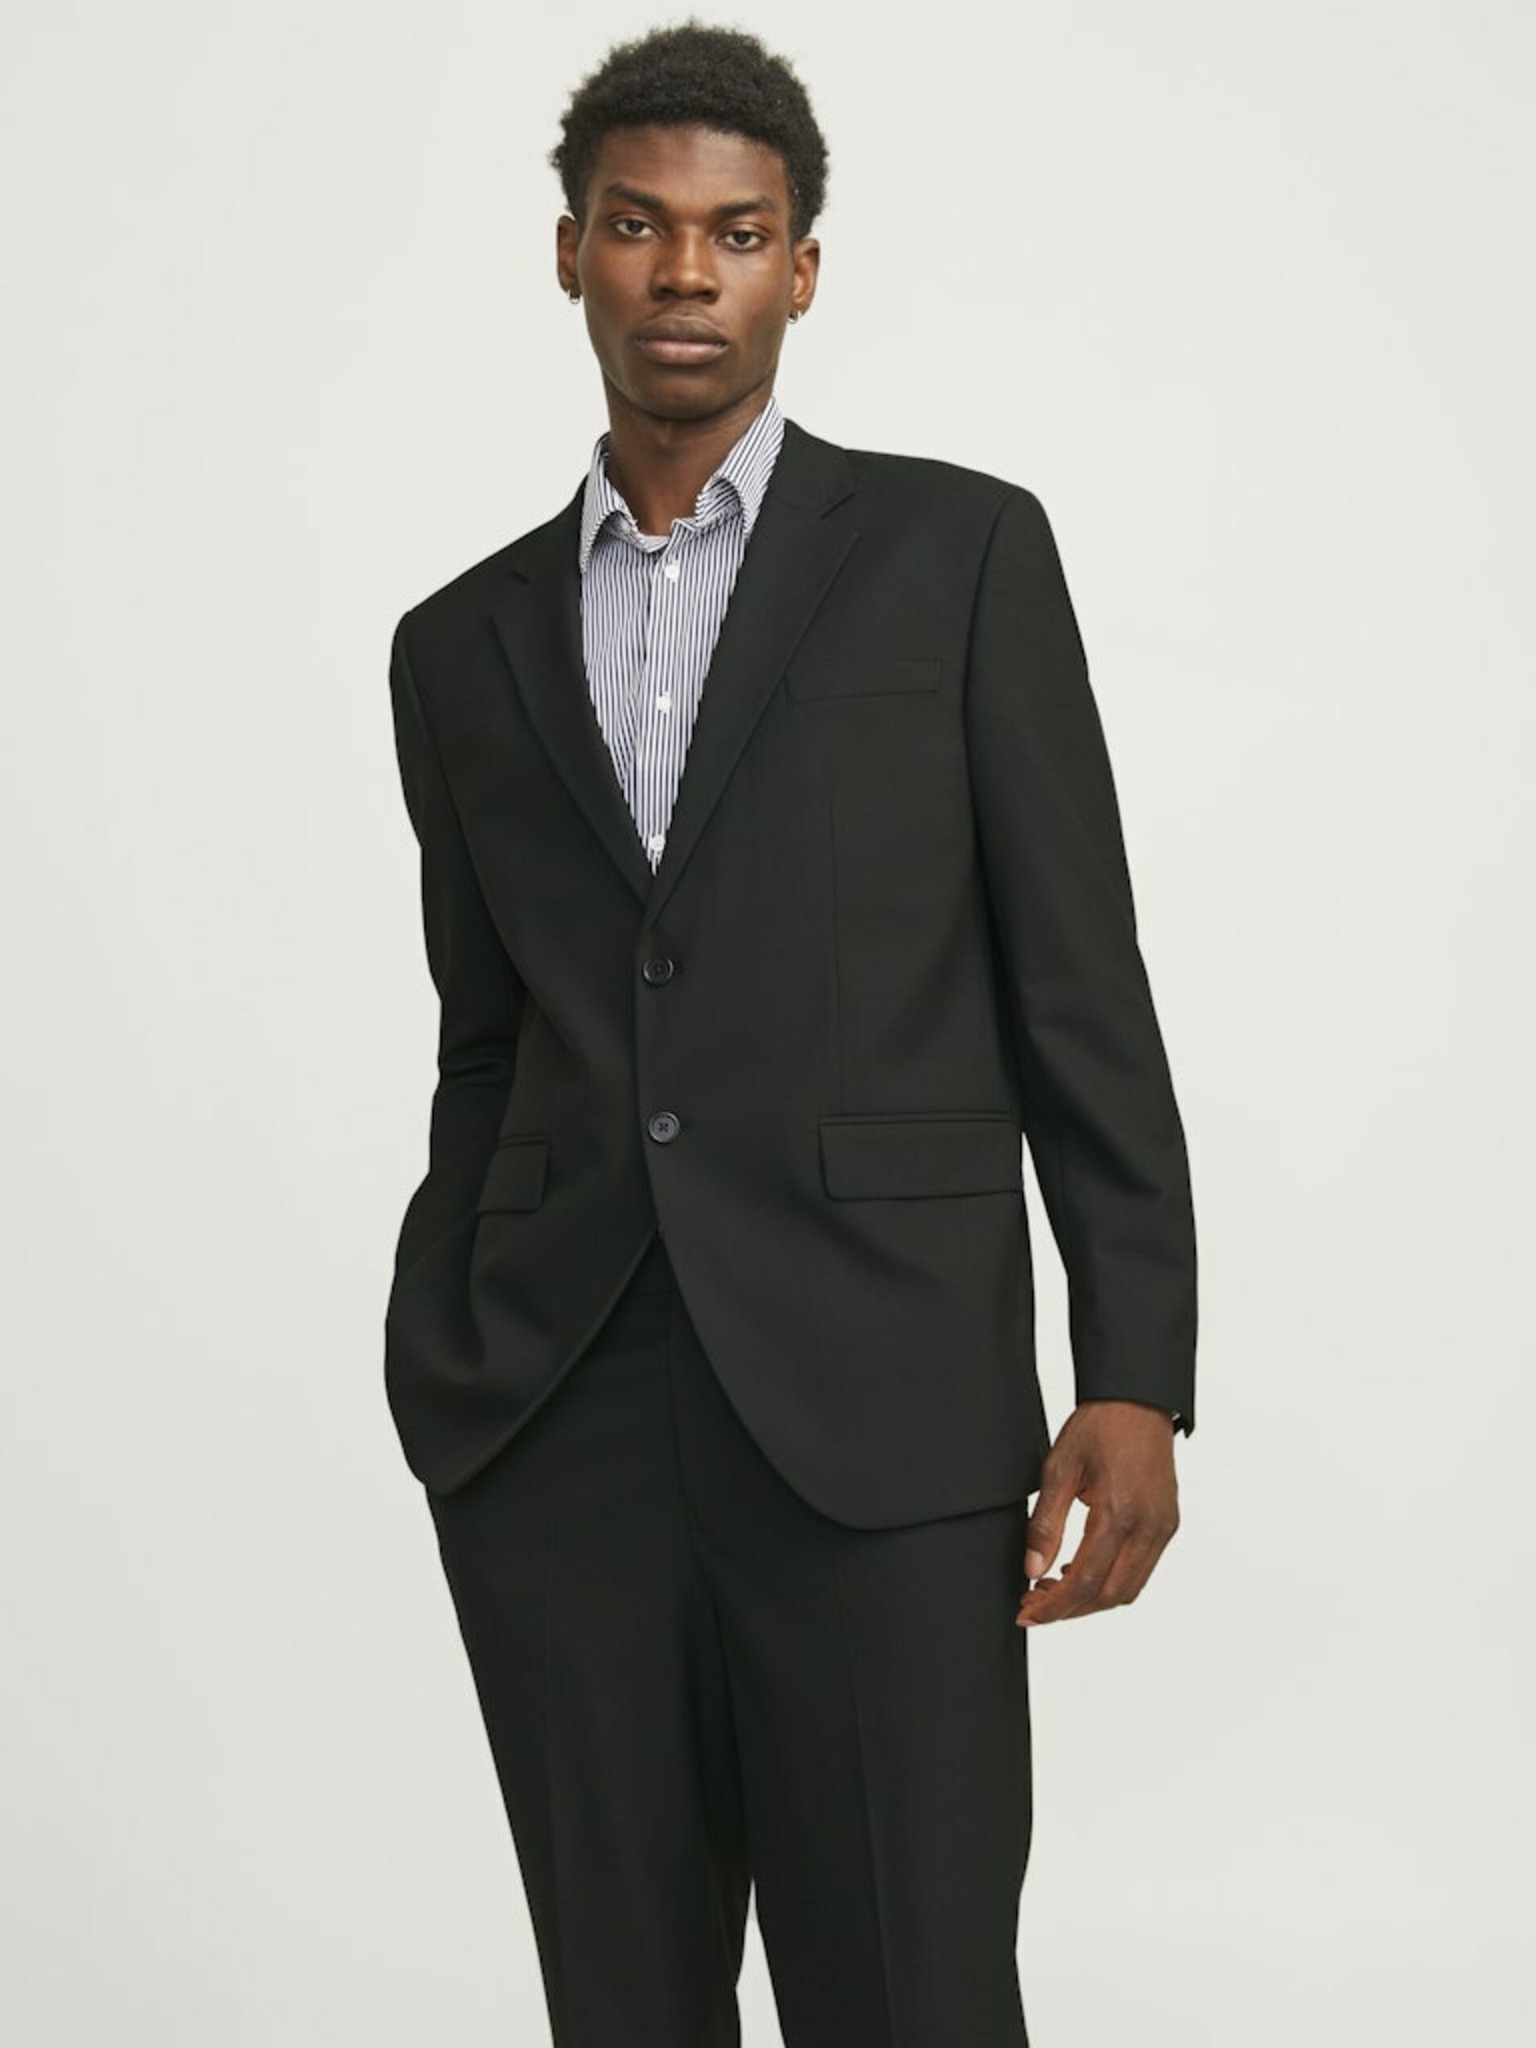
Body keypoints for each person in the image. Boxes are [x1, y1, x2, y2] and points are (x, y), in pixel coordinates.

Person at [383, 21, 1198, 2046]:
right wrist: (451, 1352)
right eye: (638, 226)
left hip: (884, 1404)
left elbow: (1077, 980)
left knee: (915, 1995)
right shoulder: (457, 645)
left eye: (736, 233)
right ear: (567, 253)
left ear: (803, 268)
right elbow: (485, 1036)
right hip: (558, 1416)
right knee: (623, 2005)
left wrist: (1136, 1367)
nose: (686, 271)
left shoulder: (958, 555)